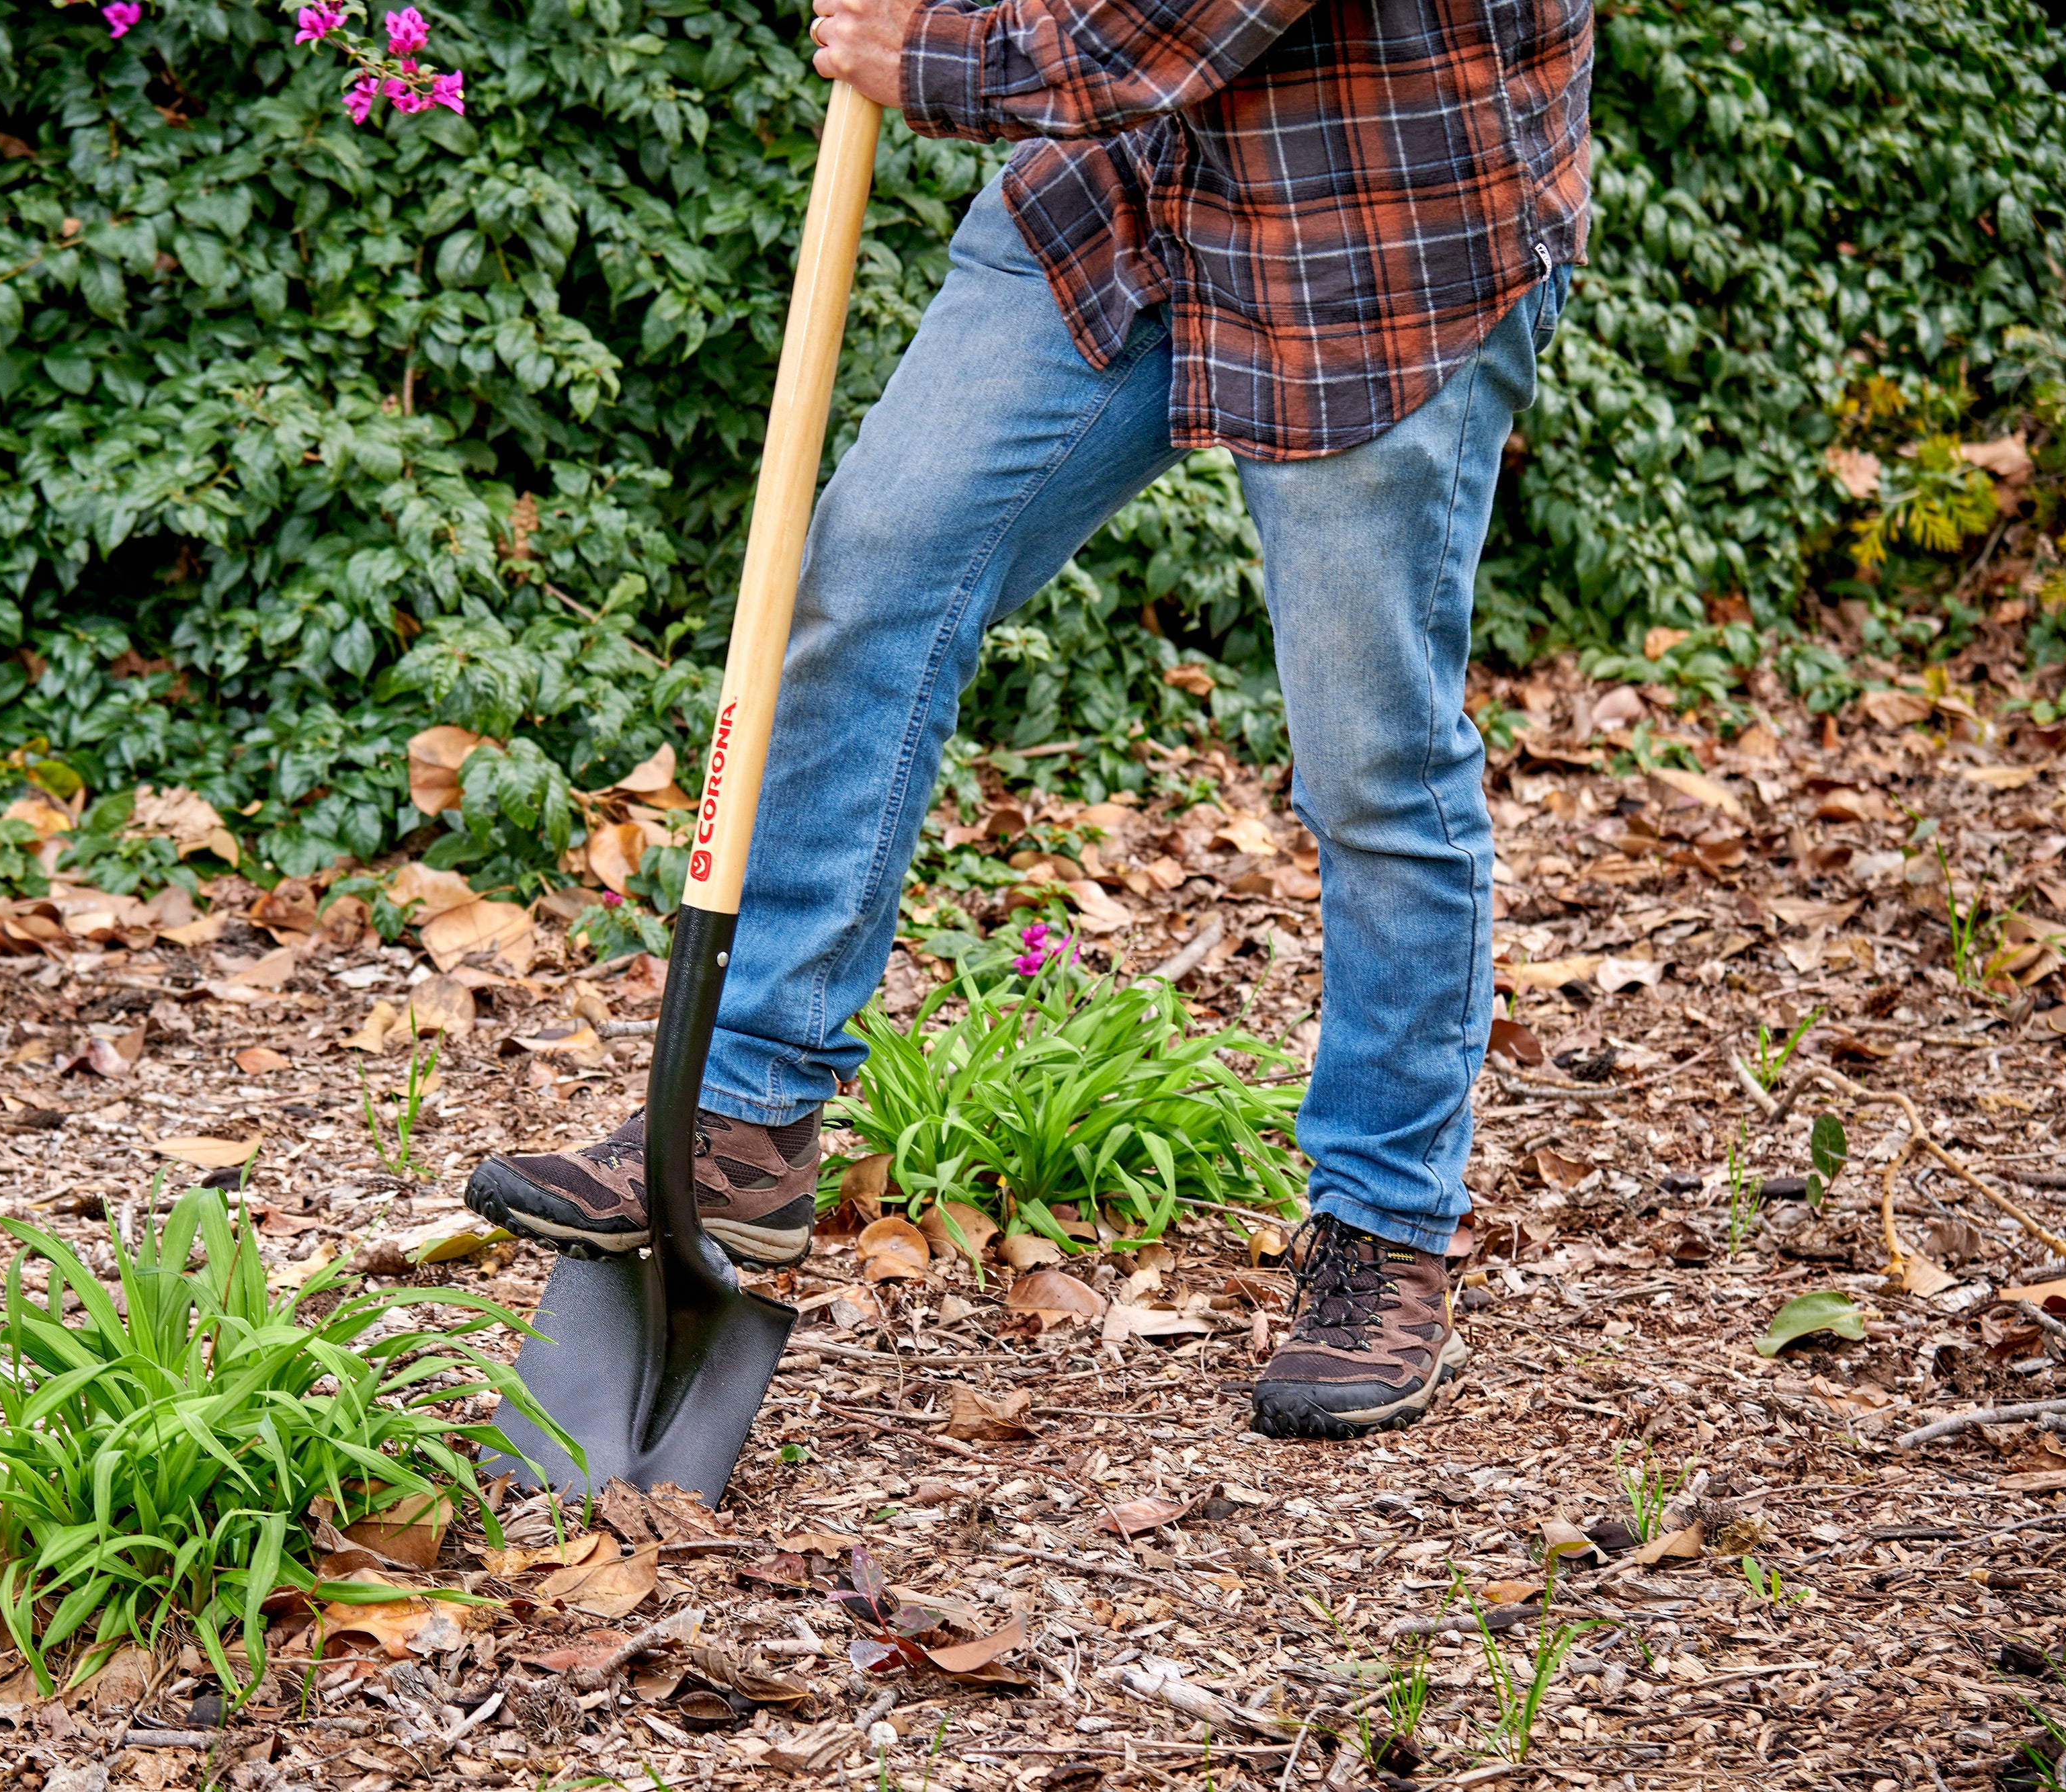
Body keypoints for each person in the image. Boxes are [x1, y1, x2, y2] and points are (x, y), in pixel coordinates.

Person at [465, 0, 1592, 1440]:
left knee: (1369, 758)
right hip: (1125, 191)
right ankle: (741, 1118)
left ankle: (1383, 1225)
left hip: (1373, 236)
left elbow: (1165, 24)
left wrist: (927, 55)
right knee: (868, 581)